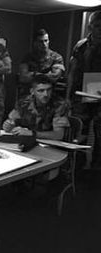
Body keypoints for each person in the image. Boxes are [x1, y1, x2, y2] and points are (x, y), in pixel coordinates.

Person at [66, 11, 101, 168]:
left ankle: (95, 170)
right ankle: (76, 168)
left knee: (100, 135)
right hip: (81, 92)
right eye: (98, 26)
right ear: (90, 27)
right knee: (79, 131)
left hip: (99, 92)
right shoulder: (80, 46)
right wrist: (67, 97)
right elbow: (72, 72)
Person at [3, 75, 69, 140]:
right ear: (32, 91)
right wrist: (8, 125)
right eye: (41, 91)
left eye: (49, 90)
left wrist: (32, 133)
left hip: (50, 144)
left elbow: (58, 135)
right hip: (27, 141)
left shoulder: (59, 104)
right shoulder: (24, 102)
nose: (45, 94)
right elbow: (11, 120)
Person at [19, 29, 65, 96]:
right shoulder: (28, 58)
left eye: (46, 41)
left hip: (49, 95)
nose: (44, 44)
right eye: (40, 41)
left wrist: (33, 74)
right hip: (31, 95)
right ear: (35, 43)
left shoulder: (56, 57)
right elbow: (23, 77)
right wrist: (46, 75)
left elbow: (54, 77)